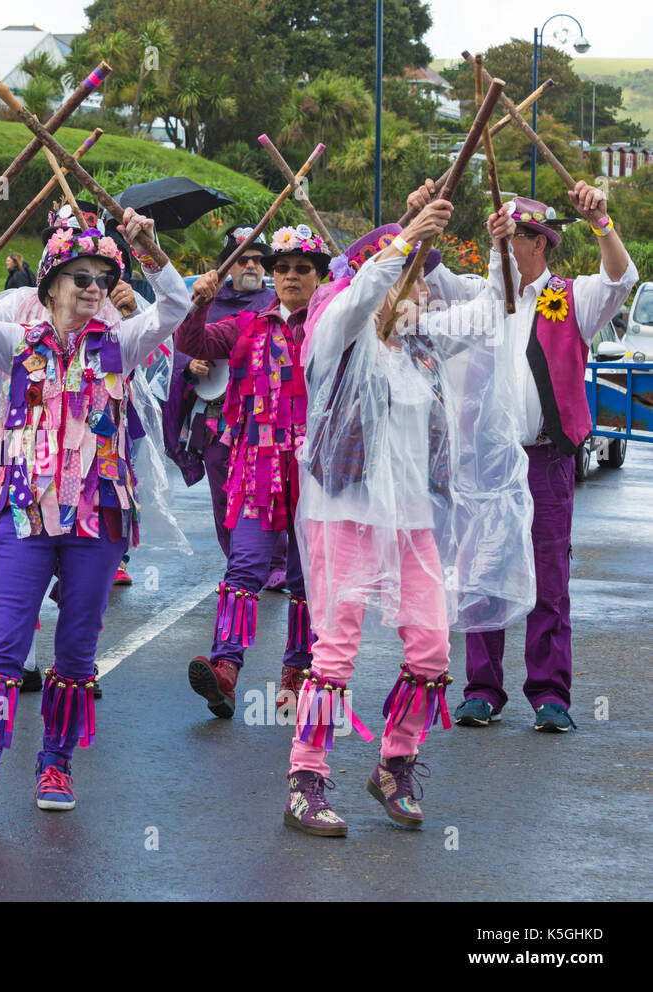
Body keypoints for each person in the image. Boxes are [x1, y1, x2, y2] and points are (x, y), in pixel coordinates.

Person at [284, 199, 533, 836]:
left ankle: (396, 763)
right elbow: (358, 294)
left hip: (414, 520)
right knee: (334, 652)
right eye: (416, 276)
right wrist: (402, 245)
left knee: (430, 646)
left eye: (424, 275)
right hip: (345, 514)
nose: (425, 289)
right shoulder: (336, 333)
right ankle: (306, 780)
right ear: (388, 280)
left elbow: (491, 308)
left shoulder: (422, 341)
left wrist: (501, 247)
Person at [0, 203, 190, 818]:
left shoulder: (120, 345)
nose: (94, 288)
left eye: (103, 278)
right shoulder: (15, 343)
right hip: (25, 515)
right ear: (50, 285)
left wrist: (150, 249)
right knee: (6, 640)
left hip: (97, 519)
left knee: (77, 649)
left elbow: (176, 307)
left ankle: (55, 766)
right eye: (81, 277)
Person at [428, 182, 638, 733]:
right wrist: (420, 212)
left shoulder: (574, 298)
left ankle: (549, 694)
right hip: (488, 462)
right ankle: (481, 689)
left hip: (546, 460)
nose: (500, 240)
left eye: (512, 235)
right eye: (497, 232)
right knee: (482, 572)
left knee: (549, 578)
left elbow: (622, 277)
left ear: (539, 244)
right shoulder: (480, 296)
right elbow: (429, 271)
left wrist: (602, 223)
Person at [177, 225, 331, 720]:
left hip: (316, 469)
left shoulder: (334, 323)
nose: (289, 277)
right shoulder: (247, 322)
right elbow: (193, 339)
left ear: (319, 277)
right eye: (281, 268)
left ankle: (296, 672)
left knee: (307, 581)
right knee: (243, 566)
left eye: (301, 269)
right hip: (256, 465)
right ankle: (225, 669)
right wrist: (199, 300)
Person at [162, 227, 276, 563]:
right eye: (242, 261)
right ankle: (237, 560)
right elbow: (180, 342)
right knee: (223, 491)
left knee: (266, 490)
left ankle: (275, 563)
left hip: (263, 417)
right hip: (213, 416)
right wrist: (189, 362)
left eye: (257, 260)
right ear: (227, 267)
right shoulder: (205, 302)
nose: (251, 266)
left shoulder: (275, 304)